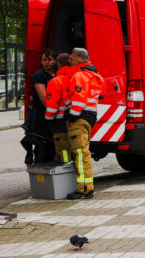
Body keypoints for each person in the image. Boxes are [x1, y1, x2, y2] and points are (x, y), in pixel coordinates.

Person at [65, 48, 105, 200]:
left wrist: (71, 117)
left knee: (81, 154)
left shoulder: (79, 75)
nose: (69, 60)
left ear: (79, 59)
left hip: (80, 118)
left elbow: (79, 99)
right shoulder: (93, 75)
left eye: (72, 57)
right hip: (89, 116)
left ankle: (84, 189)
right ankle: (85, 187)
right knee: (84, 153)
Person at [28, 48, 57, 164]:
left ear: (54, 61)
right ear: (41, 61)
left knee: (53, 146)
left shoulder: (57, 74)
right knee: (42, 146)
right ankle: (40, 171)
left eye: (50, 60)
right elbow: (43, 98)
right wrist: (54, 111)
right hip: (42, 116)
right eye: (44, 60)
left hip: (53, 116)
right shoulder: (39, 76)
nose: (47, 62)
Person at [44, 53, 72, 164]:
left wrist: (48, 119)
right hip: (75, 118)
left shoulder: (55, 81)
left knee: (63, 148)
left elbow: (52, 105)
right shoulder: (76, 77)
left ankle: (66, 168)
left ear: (58, 63)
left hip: (60, 121)